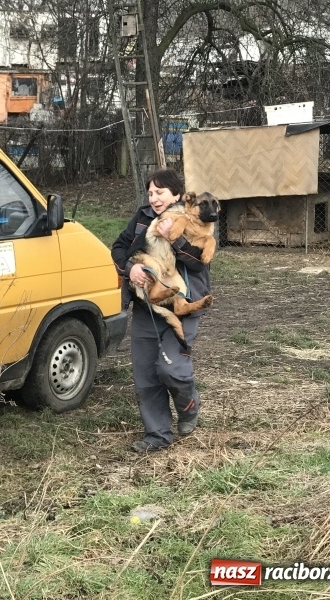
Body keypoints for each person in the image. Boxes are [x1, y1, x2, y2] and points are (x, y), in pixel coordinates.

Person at [111, 168, 211, 452]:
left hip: (184, 307)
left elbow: (199, 262)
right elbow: (119, 247)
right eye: (150, 193)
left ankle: (188, 406)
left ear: (177, 195)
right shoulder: (142, 218)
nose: (154, 198)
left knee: (172, 369)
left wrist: (176, 239)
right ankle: (158, 435)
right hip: (148, 307)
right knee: (145, 374)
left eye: (160, 192)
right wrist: (130, 269)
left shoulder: (194, 218)